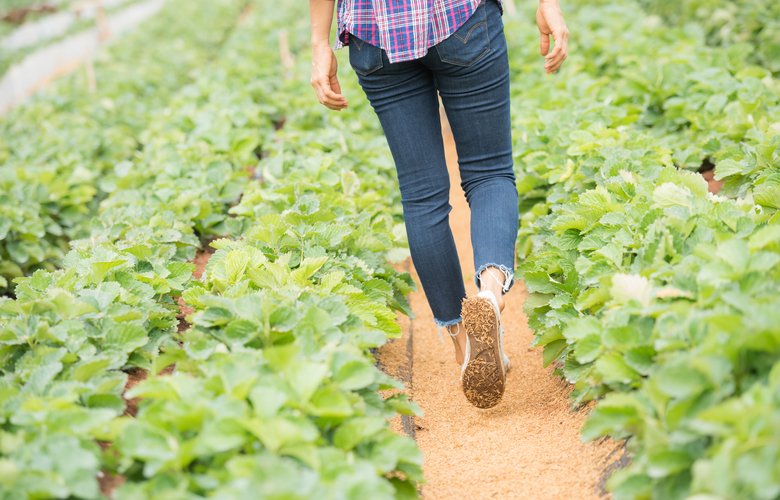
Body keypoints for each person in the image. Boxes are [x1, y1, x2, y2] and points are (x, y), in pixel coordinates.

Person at [308, 0, 569, 408]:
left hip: (375, 34)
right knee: (489, 173)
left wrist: (318, 43)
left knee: (421, 195)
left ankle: (461, 342)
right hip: (459, 17)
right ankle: (490, 292)